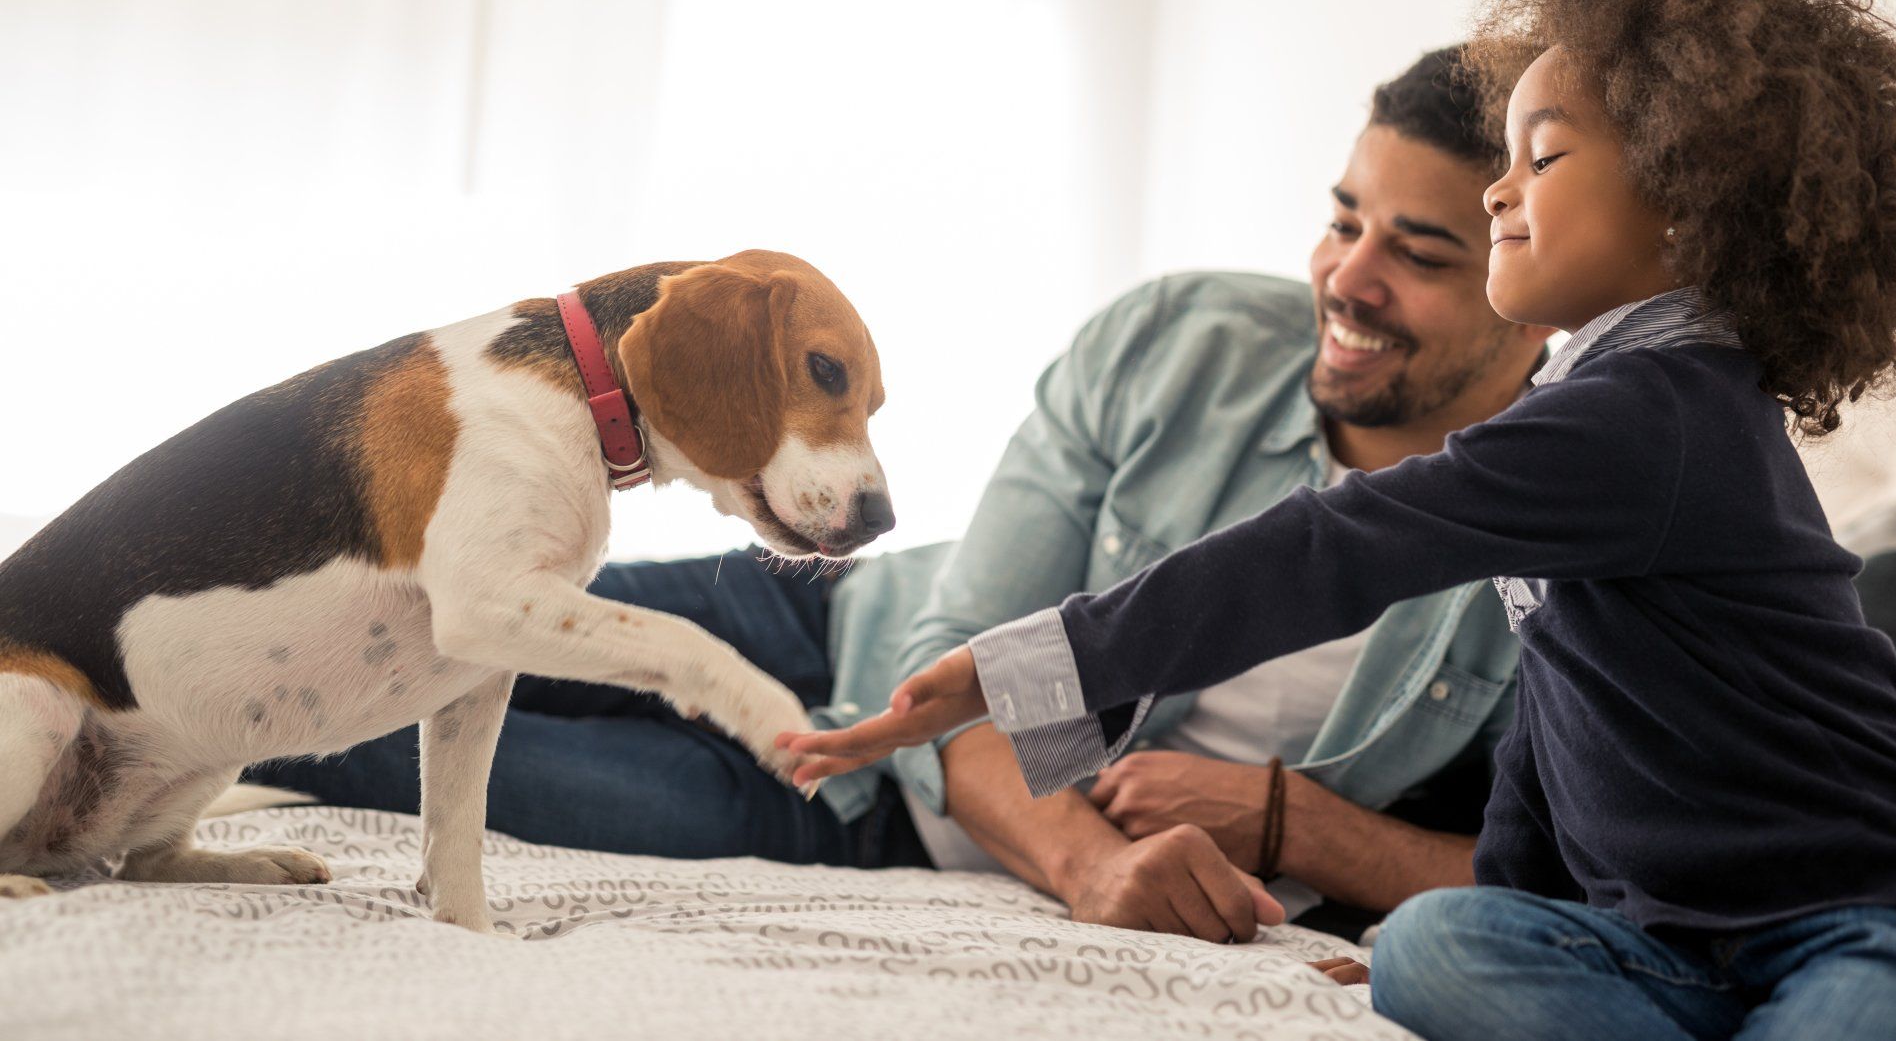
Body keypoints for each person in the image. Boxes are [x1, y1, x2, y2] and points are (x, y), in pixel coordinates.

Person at [783, 0, 1896, 1039]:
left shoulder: (1659, 414)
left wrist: (1040, 666)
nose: (1498, 189)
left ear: (1687, 198)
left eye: (1544, 157)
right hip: (1667, 942)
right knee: (1428, 944)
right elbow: (1561, 716)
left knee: (1868, 1005)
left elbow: (1334, 546)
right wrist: (1511, 899)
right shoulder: (1592, 405)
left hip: (1849, 908)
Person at [254, 46, 1552, 942]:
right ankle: (81, 612)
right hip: (826, 621)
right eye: (1344, 219)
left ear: (1524, 265)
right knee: (365, 619)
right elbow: (965, 654)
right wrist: (1095, 866)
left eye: (1420, 252)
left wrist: (1301, 826)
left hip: (853, 815)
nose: (1348, 277)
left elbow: (1584, 872)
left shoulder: (1578, 527)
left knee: (330, 732)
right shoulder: (1178, 339)